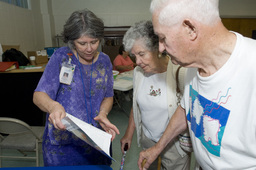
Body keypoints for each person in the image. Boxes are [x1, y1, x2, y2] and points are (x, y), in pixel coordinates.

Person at [138, 0, 256, 170]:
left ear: (190, 29)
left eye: (163, 38)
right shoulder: (192, 63)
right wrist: (157, 148)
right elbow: (187, 108)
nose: (161, 48)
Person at [33, 9, 120, 167]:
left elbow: (108, 96)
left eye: (94, 42)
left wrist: (103, 113)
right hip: (63, 144)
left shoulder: (105, 61)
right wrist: (53, 106)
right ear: (72, 41)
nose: (89, 48)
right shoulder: (61, 57)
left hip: (95, 142)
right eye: (82, 43)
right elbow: (39, 95)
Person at [120, 20, 190, 170]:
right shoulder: (138, 73)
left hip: (174, 144)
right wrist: (128, 133)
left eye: (141, 54)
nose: (137, 62)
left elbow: (187, 113)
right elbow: (136, 105)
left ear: (157, 49)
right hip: (148, 139)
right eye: (134, 56)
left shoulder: (180, 72)